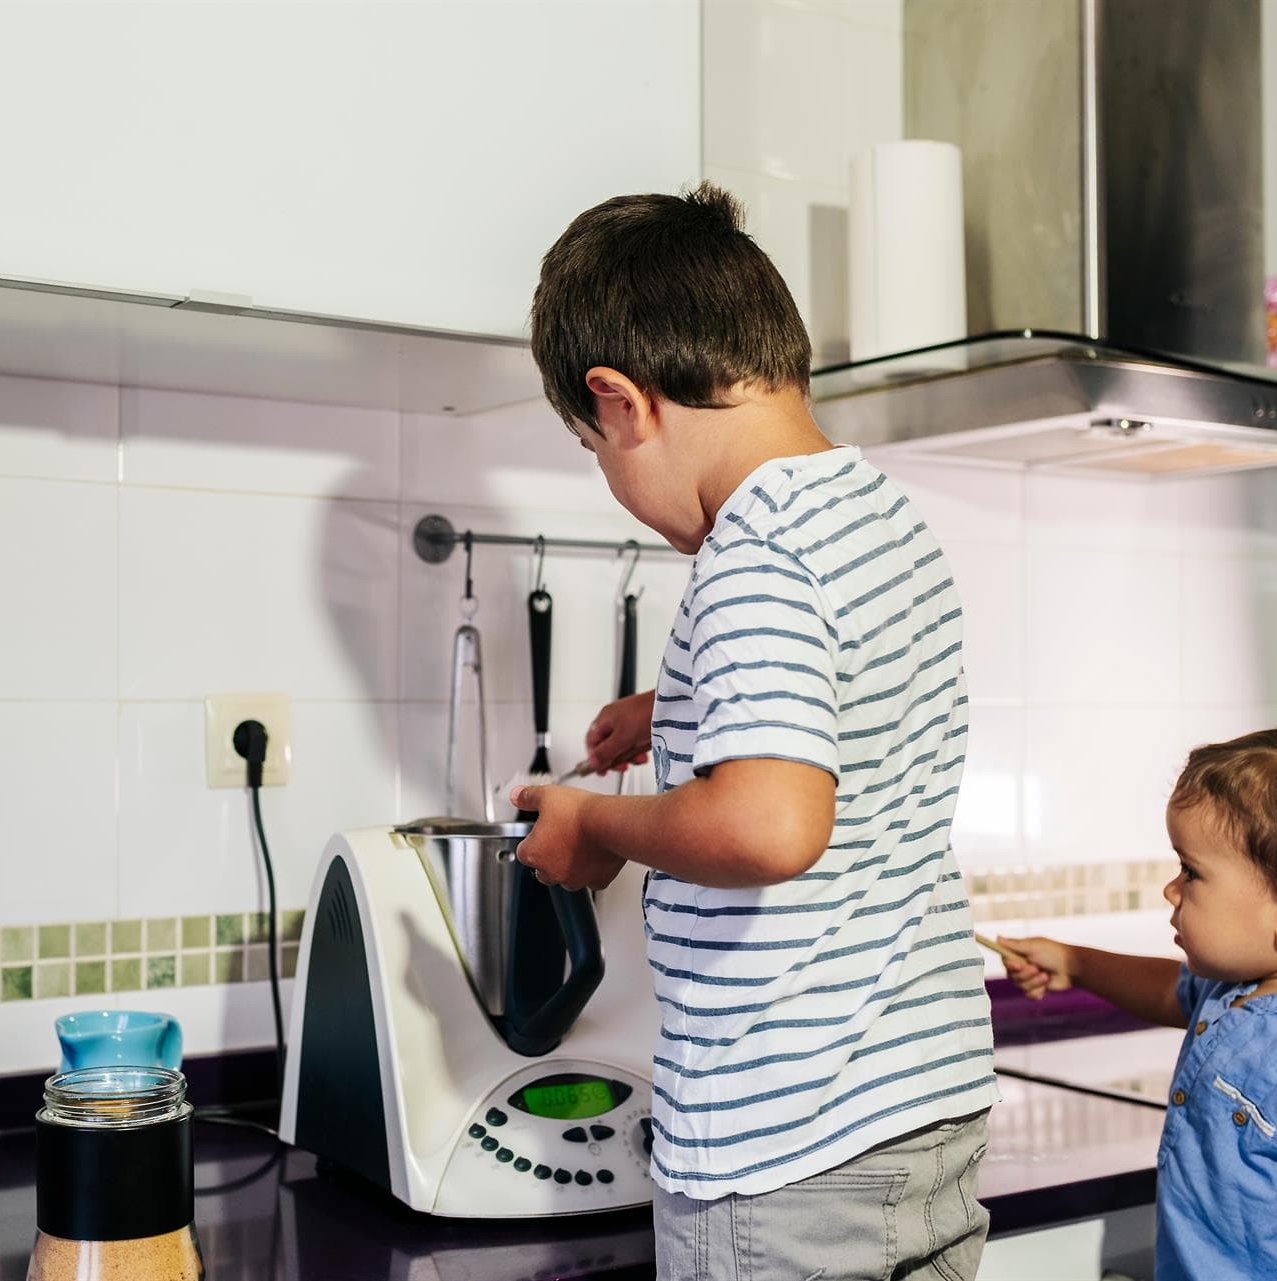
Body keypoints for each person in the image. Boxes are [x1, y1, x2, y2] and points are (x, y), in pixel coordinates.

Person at [509, 182, 996, 1280]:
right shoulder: (879, 516)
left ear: (623, 402)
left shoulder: (753, 556)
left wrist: (597, 818)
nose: (614, 478)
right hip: (927, 1105)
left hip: (786, 1143)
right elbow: (857, 702)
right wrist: (675, 710)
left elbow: (773, 826)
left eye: (595, 449)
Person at [1001, 726, 1277, 1281]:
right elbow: (1167, 991)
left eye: (1192, 871)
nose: (1171, 890)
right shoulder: (1240, 988)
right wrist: (1074, 961)